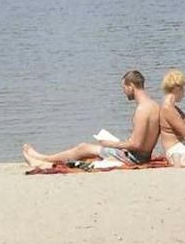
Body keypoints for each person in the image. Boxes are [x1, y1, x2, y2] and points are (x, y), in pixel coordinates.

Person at [22, 71, 163, 171]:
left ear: (131, 86)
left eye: (124, 88)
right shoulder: (155, 106)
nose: (124, 91)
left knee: (83, 147)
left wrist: (112, 144)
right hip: (143, 156)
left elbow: (136, 144)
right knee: (89, 150)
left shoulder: (141, 110)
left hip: (133, 158)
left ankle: (45, 159)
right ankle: (46, 159)